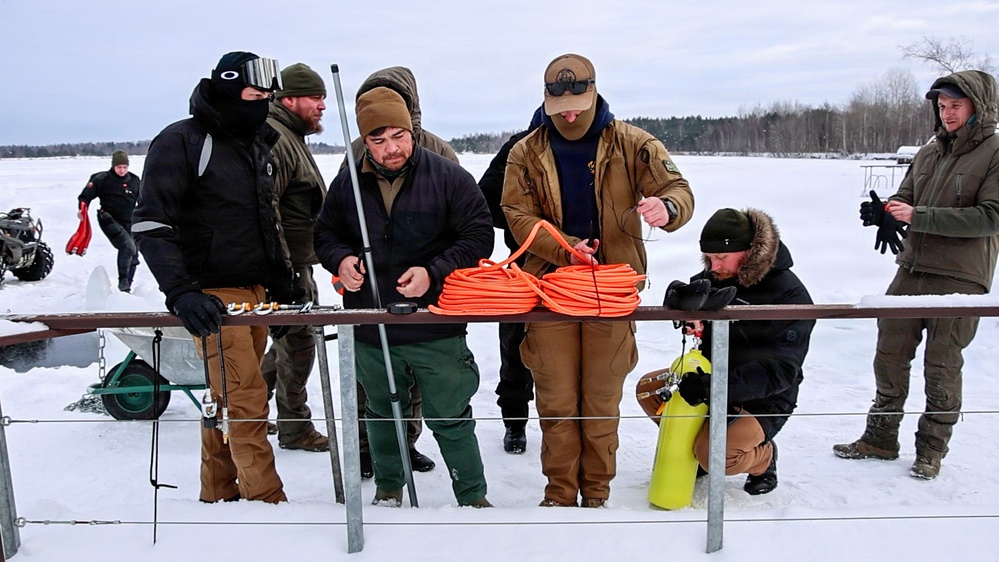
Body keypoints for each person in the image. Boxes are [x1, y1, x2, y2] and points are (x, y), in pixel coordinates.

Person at [502, 53, 694, 507]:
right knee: (556, 401)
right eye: (559, 107)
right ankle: (560, 494)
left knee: (602, 401)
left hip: (612, 293)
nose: (569, 114)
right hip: (550, 294)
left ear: (594, 95)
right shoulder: (525, 152)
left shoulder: (635, 143)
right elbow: (515, 213)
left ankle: (596, 494)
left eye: (577, 104)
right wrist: (563, 247)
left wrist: (667, 209)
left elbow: (679, 190)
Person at [314, 86, 494, 507]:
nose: (391, 148)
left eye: (398, 135)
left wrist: (434, 271)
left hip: (436, 322)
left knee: (450, 415)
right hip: (371, 324)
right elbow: (323, 234)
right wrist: (340, 260)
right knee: (380, 414)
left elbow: (479, 235)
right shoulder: (348, 184)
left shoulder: (448, 177)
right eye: (378, 140)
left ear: (412, 131)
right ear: (364, 142)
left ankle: (473, 500)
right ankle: (388, 491)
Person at [132, 51, 296, 504]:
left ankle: (219, 494)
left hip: (255, 293)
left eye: (267, 96)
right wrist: (182, 291)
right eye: (252, 94)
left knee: (225, 398)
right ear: (225, 88)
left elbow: (266, 219)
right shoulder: (182, 141)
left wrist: (280, 283)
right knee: (246, 398)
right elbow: (150, 224)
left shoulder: (256, 144)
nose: (261, 103)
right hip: (212, 296)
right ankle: (267, 503)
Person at [833, 70, 999, 480]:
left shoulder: (995, 152)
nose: (947, 113)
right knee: (888, 354)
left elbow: (991, 217)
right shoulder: (930, 151)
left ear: (980, 106)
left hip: (961, 277)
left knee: (941, 365)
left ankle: (931, 450)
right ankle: (880, 438)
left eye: (956, 105)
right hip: (911, 269)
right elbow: (906, 197)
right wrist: (885, 213)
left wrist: (918, 216)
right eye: (942, 106)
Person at [345, 66, 456, 476]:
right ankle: (365, 448)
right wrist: (345, 259)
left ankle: (406, 443)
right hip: (368, 286)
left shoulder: (439, 153)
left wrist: (437, 269)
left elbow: (463, 224)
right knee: (369, 375)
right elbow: (338, 219)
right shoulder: (356, 151)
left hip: (424, 287)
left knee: (414, 373)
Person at [671, 208, 814, 495]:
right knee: (648, 391)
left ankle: (763, 457)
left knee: (716, 457)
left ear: (750, 251)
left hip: (766, 398)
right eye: (709, 259)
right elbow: (692, 289)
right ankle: (705, 445)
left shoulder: (790, 295)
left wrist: (715, 388)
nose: (714, 266)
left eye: (721, 257)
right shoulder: (718, 274)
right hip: (714, 383)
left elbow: (781, 371)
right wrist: (681, 303)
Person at [259, 62, 329, 453]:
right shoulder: (278, 140)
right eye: (314, 98)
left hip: (297, 264)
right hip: (286, 269)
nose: (322, 105)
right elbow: (269, 213)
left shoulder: (291, 135)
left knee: (289, 343)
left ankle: (244, 409)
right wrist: (283, 275)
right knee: (298, 345)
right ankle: (295, 426)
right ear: (289, 100)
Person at [475, 108, 542, 454]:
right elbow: (483, 198)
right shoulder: (518, 147)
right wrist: (524, 224)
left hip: (576, 269)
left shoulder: (592, 148)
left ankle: (570, 425)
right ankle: (514, 423)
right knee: (515, 346)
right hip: (523, 265)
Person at [77, 150, 140, 292]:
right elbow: (84, 197)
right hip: (108, 219)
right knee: (127, 246)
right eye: (119, 167)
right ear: (113, 166)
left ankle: (127, 287)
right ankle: (123, 283)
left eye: (125, 167)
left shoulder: (135, 180)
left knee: (134, 254)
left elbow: (144, 200)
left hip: (129, 220)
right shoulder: (102, 179)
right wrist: (82, 210)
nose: (122, 170)